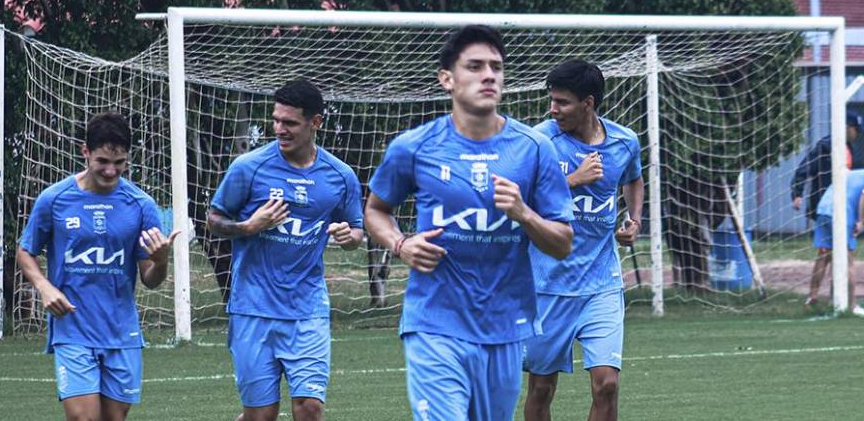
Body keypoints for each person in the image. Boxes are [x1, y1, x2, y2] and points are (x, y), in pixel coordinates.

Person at [363, 25, 574, 421]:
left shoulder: (533, 148)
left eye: (496, 66)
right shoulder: (414, 147)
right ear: (447, 79)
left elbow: (562, 243)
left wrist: (524, 213)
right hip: (434, 321)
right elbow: (375, 210)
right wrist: (400, 244)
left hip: (505, 325)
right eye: (474, 66)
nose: (488, 75)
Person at [206, 79, 364, 421]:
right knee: (260, 416)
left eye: (289, 122)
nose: (279, 129)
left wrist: (349, 237)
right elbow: (214, 219)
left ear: (315, 122)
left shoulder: (340, 176)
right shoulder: (249, 167)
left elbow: (357, 229)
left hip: (307, 309)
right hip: (253, 307)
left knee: (309, 408)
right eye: (276, 120)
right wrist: (248, 227)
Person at [15, 111, 179, 421]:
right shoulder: (55, 199)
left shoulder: (141, 205)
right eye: (102, 161)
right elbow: (25, 251)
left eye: (119, 163)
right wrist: (44, 286)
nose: (110, 171)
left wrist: (160, 260)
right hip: (73, 328)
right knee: (84, 418)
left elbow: (151, 279)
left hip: (121, 331)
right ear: (85, 152)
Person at [522, 59, 643, 421]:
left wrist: (634, 219)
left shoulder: (625, 141)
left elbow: (634, 179)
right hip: (548, 284)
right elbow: (517, 199)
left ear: (588, 103)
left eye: (561, 102)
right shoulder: (540, 140)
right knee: (541, 389)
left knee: (607, 385)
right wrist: (573, 179)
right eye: (552, 100)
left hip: (601, 284)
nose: (552, 108)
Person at [806, 169, 864, 316]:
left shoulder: (857, 174)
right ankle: (852, 305)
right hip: (840, 214)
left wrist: (863, 213)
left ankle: (812, 298)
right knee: (848, 260)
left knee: (823, 256)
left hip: (823, 209)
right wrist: (860, 220)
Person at [791, 110, 864, 220]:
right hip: (824, 206)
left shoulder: (852, 150)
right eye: (856, 130)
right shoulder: (825, 146)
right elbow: (804, 168)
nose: (858, 134)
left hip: (843, 205)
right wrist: (797, 193)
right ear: (846, 127)